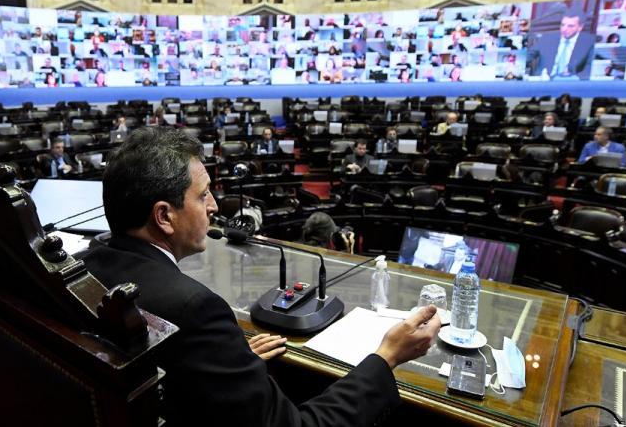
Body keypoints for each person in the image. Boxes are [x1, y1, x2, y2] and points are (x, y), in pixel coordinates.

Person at [80, 127, 440, 426]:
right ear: (164, 216)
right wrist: (386, 357)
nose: (214, 206)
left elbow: (164, 367)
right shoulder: (197, 311)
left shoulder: (84, 268)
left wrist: (226, 362)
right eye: (203, 195)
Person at [527, 11, 596, 79]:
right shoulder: (547, 37)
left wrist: (576, 78)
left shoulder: (588, 42)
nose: (564, 29)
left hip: (571, 82)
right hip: (544, 80)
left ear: (580, 27)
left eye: (570, 26)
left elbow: (590, 67)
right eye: (563, 25)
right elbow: (529, 55)